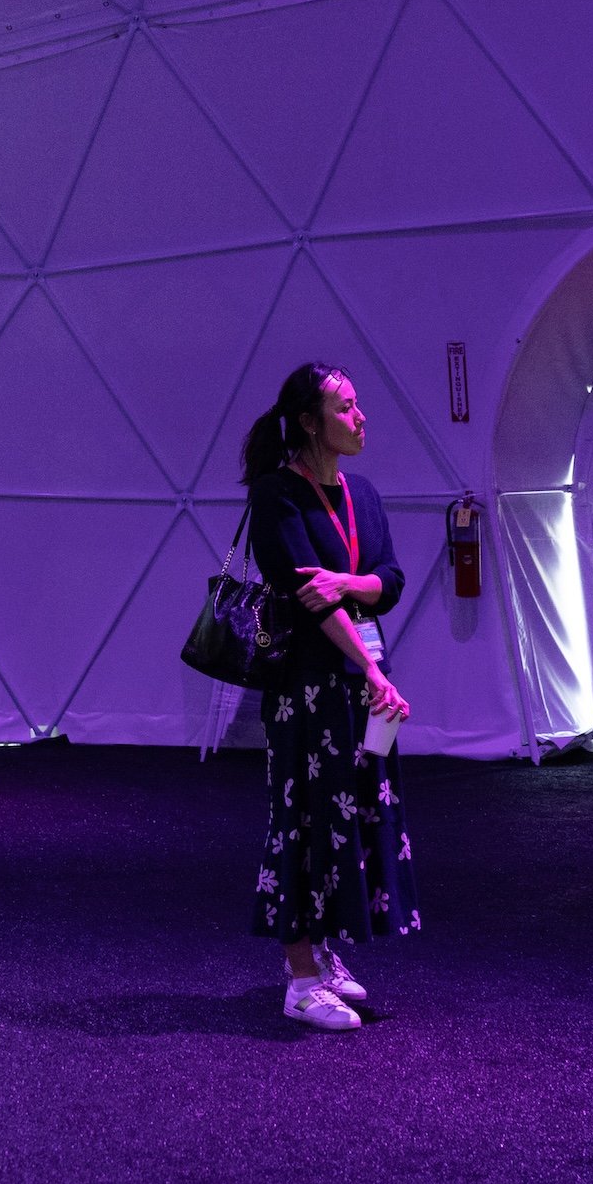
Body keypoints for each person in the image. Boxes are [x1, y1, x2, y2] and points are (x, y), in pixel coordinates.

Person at [243, 362, 420, 1031]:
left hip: (362, 680)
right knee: (302, 820)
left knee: (353, 817)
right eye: (346, 408)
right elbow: (304, 596)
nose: (361, 417)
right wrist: (366, 648)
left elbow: (391, 580)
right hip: (309, 688)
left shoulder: (363, 494)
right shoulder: (275, 495)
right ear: (311, 422)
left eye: (359, 405)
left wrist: (349, 585)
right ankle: (298, 977)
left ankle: (324, 950)